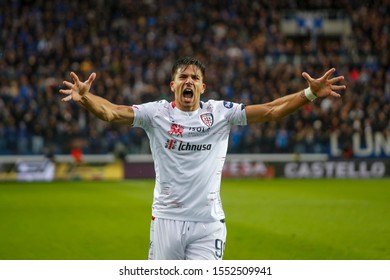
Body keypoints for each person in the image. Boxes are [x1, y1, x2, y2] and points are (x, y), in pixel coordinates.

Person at [59, 56, 346, 260]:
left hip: (208, 225)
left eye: (195, 78)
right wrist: (86, 98)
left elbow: (271, 110)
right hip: (166, 221)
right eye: (183, 76)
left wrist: (310, 93)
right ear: (172, 85)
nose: (189, 81)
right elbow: (112, 112)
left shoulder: (221, 113)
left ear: (203, 87)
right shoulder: (156, 113)